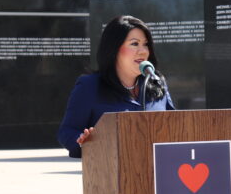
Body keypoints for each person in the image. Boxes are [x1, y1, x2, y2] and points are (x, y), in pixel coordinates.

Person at [57, 15, 175, 157]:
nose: (143, 51)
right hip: (111, 171)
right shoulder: (90, 86)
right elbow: (67, 131)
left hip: (159, 172)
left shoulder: (156, 82)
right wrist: (83, 141)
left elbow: (175, 126)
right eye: (134, 44)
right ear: (114, 49)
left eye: (146, 44)